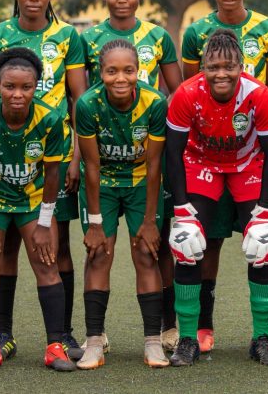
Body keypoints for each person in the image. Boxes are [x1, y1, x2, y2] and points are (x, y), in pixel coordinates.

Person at [0, 0, 87, 360]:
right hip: (7, 155)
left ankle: (64, 334)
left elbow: (79, 100)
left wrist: (75, 155)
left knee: (56, 247)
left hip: (53, 155)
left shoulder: (68, 37)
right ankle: (2, 333)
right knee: (3, 248)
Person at [180, 0, 268, 352]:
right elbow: (196, 88)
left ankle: (266, 328)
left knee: (260, 240)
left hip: (252, 152)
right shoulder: (197, 32)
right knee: (203, 241)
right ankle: (203, 327)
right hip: (207, 153)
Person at [79, 0, 182, 351]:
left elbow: (177, 92)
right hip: (101, 156)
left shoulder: (157, 37)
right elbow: (80, 96)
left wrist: (152, 126)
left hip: (147, 153)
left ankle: (165, 328)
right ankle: (96, 334)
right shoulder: (87, 40)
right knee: (98, 251)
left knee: (156, 249)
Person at [166, 29, 268, 366]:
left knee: (262, 245)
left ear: (241, 66)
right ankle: (187, 339)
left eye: (229, 67)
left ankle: (262, 337)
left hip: (247, 164)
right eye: (213, 66)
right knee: (186, 245)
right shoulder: (187, 94)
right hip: (200, 163)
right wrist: (181, 209)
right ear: (202, 66)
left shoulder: (258, 95)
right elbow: (173, 154)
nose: (221, 73)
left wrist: (265, 210)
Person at [0, 47, 74, 372]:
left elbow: (52, 174)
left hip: (32, 198)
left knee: (47, 264)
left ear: (36, 86)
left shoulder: (50, 120)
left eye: (26, 87)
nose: (17, 94)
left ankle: (55, 347)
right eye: (9, 86)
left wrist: (43, 223)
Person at [74, 39, 169, 369]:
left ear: (138, 70)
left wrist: (149, 220)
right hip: (103, 186)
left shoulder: (155, 103)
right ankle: (95, 343)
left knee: (146, 252)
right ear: (101, 72)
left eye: (128, 70)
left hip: (142, 183)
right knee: (99, 254)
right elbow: (92, 165)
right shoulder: (87, 104)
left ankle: (153, 343)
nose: (120, 78)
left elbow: (156, 165)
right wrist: (96, 223)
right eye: (111, 71)